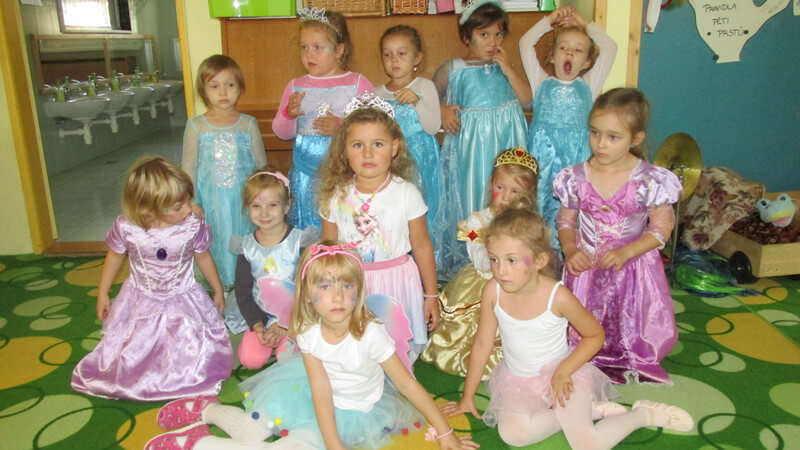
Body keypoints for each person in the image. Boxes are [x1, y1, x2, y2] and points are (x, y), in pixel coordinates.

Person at [146, 242, 479, 450]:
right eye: (325, 286)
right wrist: (334, 445)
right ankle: (205, 416)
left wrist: (445, 432)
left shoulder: (371, 333)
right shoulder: (308, 332)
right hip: (307, 395)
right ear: (307, 295)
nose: (338, 296)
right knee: (251, 431)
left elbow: (406, 384)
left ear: (359, 291)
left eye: (346, 285)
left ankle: (199, 439)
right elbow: (320, 389)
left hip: (356, 410)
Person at [443, 209, 693, 448]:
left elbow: (595, 336)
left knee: (589, 445)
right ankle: (587, 412)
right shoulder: (492, 290)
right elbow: (483, 344)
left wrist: (563, 372)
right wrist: (467, 396)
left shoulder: (558, 296)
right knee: (513, 435)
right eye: (494, 259)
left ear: (540, 260)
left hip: (564, 375)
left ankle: (642, 415)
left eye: (511, 260)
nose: (500, 270)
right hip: (518, 381)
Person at [71, 156, 232, 401]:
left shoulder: (191, 225)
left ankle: (182, 375)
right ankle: (141, 376)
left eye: (187, 201)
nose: (188, 209)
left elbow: (203, 257)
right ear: (148, 207)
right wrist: (103, 292)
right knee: (137, 346)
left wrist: (217, 289)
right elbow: (114, 256)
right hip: (140, 298)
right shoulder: (127, 228)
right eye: (178, 206)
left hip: (182, 296)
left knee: (185, 342)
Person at [554, 88, 682, 384]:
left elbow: (661, 228)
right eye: (595, 133)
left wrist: (627, 252)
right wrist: (570, 249)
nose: (600, 144)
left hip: (632, 268)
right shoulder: (575, 177)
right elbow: (566, 221)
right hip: (586, 267)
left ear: (635, 139)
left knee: (627, 317)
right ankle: (583, 349)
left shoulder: (649, 179)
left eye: (613, 137)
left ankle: (630, 351)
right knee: (584, 316)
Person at [318, 99, 440, 359]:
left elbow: (422, 246)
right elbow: (328, 252)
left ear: (394, 147)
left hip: (397, 282)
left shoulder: (406, 193)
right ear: (344, 150)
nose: (368, 153)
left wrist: (431, 294)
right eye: (357, 145)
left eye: (377, 144)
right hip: (353, 282)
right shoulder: (335, 196)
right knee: (357, 349)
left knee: (396, 349)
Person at [433, 0, 531, 279]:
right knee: (475, 197)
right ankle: (475, 260)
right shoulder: (454, 68)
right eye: (484, 34)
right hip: (472, 151)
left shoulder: (504, 68)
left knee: (510, 196)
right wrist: (441, 110)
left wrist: (508, 67)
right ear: (467, 37)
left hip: (507, 144)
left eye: (498, 34)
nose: (492, 42)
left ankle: (512, 255)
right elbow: (428, 98)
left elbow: (527, 100)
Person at [422, 147, 538, 379]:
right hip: (483, 283)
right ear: (490, 183)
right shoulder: (477, 221)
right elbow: (482, 261)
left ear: (528, 194)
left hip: (517, 284)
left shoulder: (529, 223)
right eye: (500, 187)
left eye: (516, 191)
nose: (506, 197)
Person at [520, 7, 617, 252]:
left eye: (578, 50)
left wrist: (585, 24)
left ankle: (573, 253)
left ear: (587, 63)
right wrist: (549, 21)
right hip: (542, 158)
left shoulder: (589, 85)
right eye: (563, 47)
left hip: (575, 159)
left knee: (571, 207)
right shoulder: (540, 82)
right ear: (552, 57)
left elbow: (610, 47)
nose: (570, 53)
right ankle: (541, 254)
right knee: (539, 204)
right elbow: (525, 43)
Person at [272, 8, 374, 229]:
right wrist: (289, 114)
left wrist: (342, 128)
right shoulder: (295, 86)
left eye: (317, 47)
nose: (309, 54)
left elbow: (375, 129)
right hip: (305, 175)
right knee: (309, 231)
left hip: (344, 176)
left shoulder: (357, 83)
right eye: (304, 47)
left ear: (338, 50)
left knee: (343, 229)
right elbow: (281, 132)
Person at [182, 54, 268, 286]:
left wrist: (264, 196)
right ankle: (218, 285)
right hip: (211, 202)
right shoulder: (196, 126)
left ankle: (245, 284)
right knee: (215, 240)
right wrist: (191, 201)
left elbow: (261, 166)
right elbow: (189, 167)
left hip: (243, 201)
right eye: (214, 86)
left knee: (244, 238)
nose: (223, 92)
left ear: (240, 88)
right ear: (203, 90)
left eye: (230, 85)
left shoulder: (248, 124)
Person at [223, 166, 319, 370]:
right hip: (262, 315)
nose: (264, 213)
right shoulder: (246, 247)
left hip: (296, 315)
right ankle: (265, 338)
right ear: (247, 208)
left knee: (289, 359)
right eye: (256, 206)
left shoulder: (300, 242)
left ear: (286, 206)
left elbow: (309, 288)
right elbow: (243, 292)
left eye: (272, 205)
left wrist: (285, 324)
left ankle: (288, 341)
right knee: (250, 360)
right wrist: (258, 326)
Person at [376, 25, 442, 247]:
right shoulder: (377, 93)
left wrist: (417, 101)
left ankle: (423, 253)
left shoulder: (424, 86)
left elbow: (433, 127)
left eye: (402, 53)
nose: (394, 59)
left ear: (417, 58)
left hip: (420, 162)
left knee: (420, 208)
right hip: (391, 163)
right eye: (387, 54)